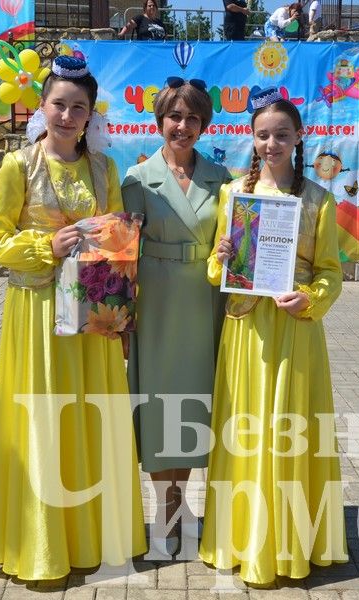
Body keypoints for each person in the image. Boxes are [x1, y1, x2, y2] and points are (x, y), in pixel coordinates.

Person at [0, 55, 147, 581]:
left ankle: (93, 535)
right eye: (59, 104)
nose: (67, 115)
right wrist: (44, 245)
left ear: (91, 114)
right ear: (43, 106)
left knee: (89, 417)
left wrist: (122, 315)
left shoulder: (105, 168)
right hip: (37, 311)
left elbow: (120, 243)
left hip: (93, 312)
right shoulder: (19, 166)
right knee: (44, 419)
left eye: (79, 107)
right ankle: (41, 542)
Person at [199, 87, 348, 585]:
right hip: (245, 331)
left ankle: (288, 544)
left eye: (282, 134)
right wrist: (220, 256)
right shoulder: (233, 196)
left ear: (299, 136)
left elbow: (330, 271)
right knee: (246, 432)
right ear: (252, 137)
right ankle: (242, 538)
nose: (271, 143)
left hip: (294, 331)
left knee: (288, 433)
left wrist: (311, 299)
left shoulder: (319, 200)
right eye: (263, 134)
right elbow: (214, 271)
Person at [121, 77, 231, 557]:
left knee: (191, 404)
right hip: (156, 300)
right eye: (174, 117)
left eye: (192, 118)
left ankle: (178, 500)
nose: (182, 126)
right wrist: (119, 316)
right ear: (159, 120)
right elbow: (120, 253)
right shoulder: (136, 178)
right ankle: (166, 505)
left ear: (204, 124)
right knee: (157, 402)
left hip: (205, 300)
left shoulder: (224, 180)